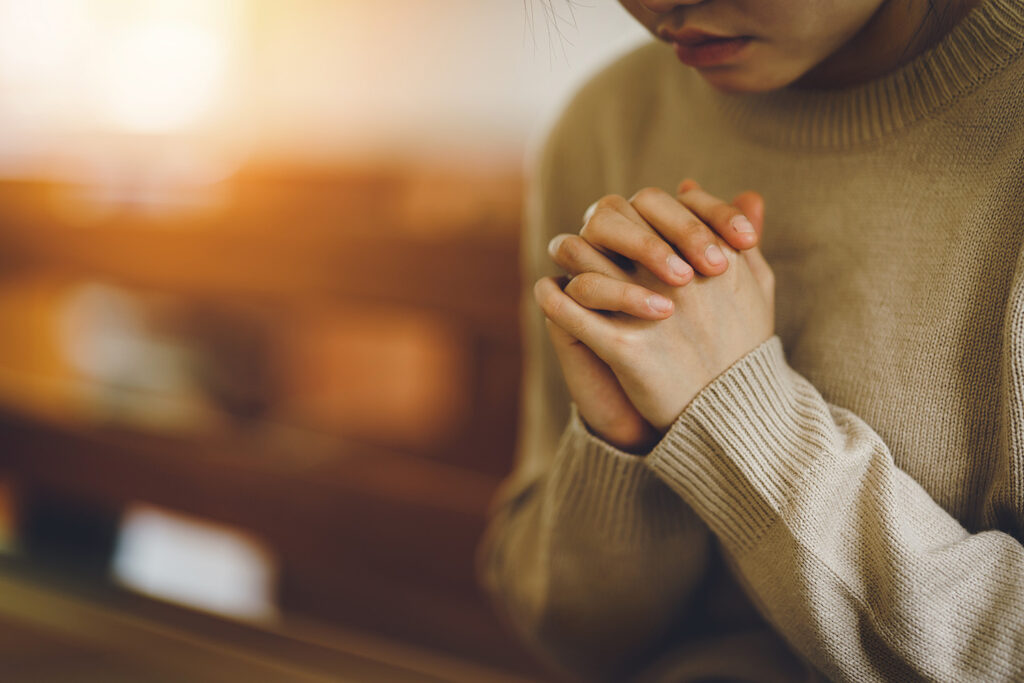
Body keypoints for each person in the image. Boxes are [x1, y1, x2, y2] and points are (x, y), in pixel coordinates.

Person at [476, 0, 1024, 680]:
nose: (656, 6)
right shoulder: (610, 120)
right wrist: (625, 444)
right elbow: (570, 634)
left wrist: (738, 413)